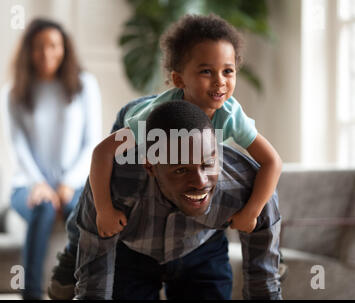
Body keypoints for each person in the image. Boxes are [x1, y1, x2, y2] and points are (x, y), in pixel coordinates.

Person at [91, 14, 282, 241]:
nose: (220, 81)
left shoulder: (231, 115)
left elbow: (272, 162)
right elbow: (102, 152)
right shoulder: (154, 120)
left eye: (228, 71)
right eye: (206, 71)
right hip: (135, 116)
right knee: (114, 177)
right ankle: (71, 251)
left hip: (182, 153)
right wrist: (103, 210)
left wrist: (252, 211)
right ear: (179, 80)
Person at [73, 100, 281, 299]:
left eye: (208, 163)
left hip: (202, 251)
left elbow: (264, 288)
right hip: (132, 255)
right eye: (182, 169)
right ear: (151, 167)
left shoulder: (246, 187)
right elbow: (93, 290)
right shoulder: (114, 186)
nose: (200, 182)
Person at [1, 18, 103, 300]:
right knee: (43, 207)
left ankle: (83, 290)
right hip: (27, 185)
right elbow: (18, 148)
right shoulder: (13, 93)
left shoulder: (85, 85)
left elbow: (92, 143)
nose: (46, 53)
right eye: (38, 47)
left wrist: (67, 183)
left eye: (53, 46)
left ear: (64, 48)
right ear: (28, 51)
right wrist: (40, 184)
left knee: (81, 212)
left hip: (76, 183)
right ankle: (31, 293)